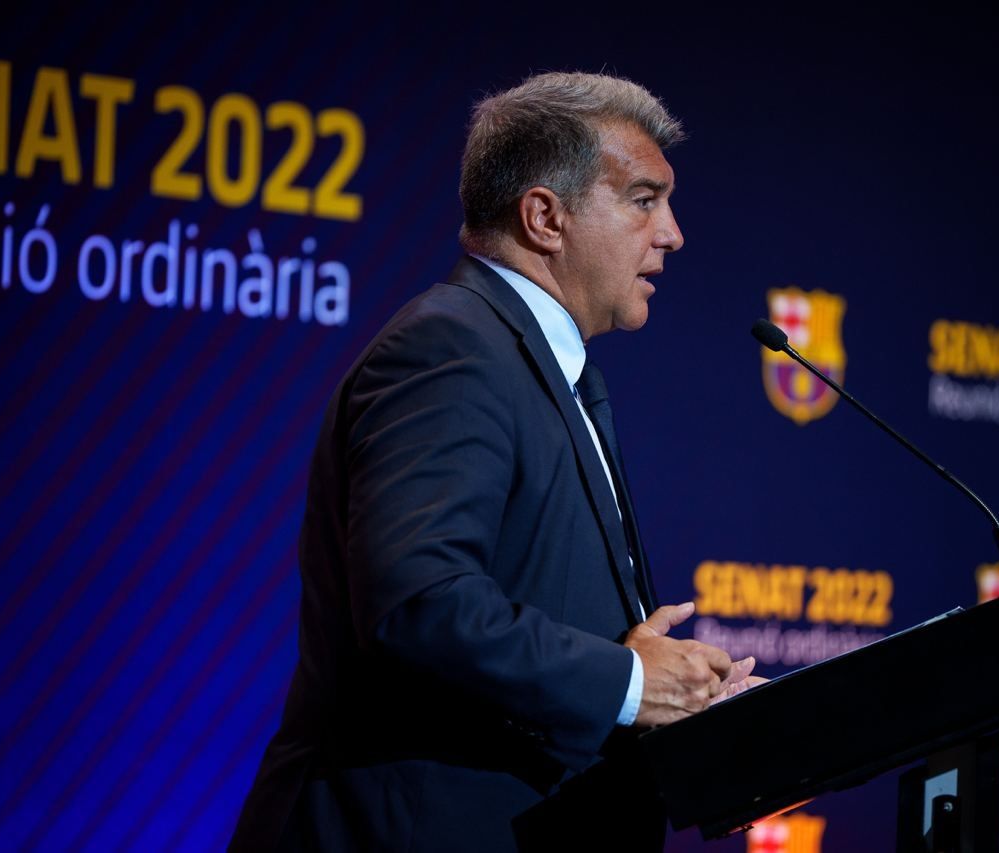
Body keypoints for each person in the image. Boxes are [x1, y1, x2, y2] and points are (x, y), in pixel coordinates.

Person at [230, 71, 758, 853]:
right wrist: (632, 684)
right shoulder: (450, 348)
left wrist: (674, 709)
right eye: (644, 199)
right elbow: (419, 602)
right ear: (545, 216)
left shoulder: (549, 368)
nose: (673, 232)